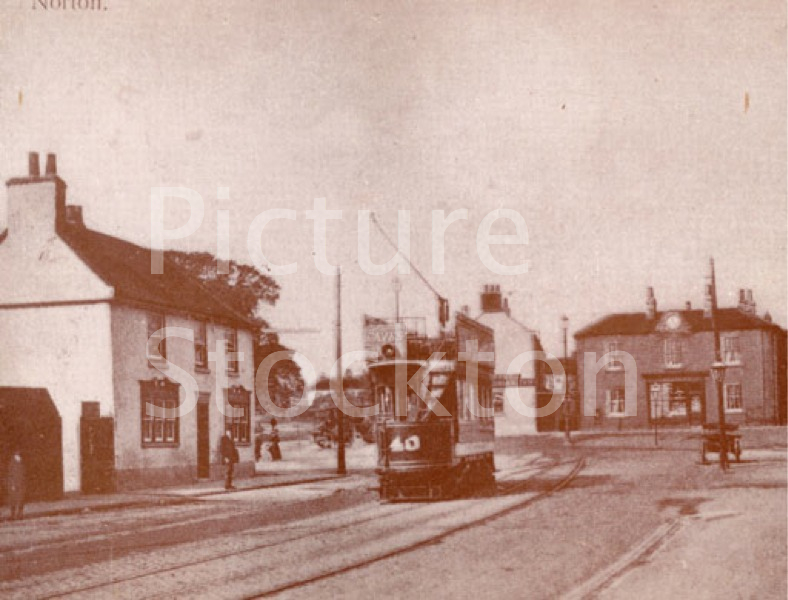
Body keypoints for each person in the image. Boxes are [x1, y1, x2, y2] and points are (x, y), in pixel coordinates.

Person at [6, 450, 26, 520]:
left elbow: (24, 475)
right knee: (13, 500)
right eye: (17, 456)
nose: (18, 457)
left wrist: (24, 484)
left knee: (21, 500)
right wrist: (12, 484)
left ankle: (20, 515)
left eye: (19, 456)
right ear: (15, 456)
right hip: (14, 485)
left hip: (21, 485)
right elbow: (10, 475)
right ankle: (12, 515)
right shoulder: (12, 464)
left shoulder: (22, 464)